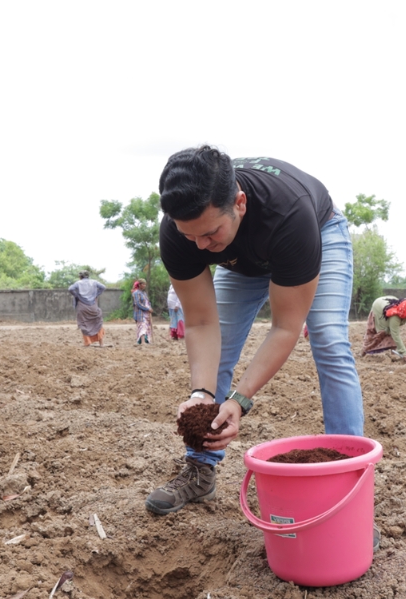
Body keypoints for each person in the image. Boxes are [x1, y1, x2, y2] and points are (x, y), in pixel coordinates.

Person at [146, 146, 364, 515]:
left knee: (328, 338)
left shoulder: (289, 214)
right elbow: (200, 323)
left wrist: (240, 400)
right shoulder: (180, 232)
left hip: (315, 234)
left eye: (209, 232)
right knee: (221, 347)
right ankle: (200, 470)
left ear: (240, 203)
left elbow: (284, 327)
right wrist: (202, 393)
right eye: (190, 236)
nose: (200, 246)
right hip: (241, 259)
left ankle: (350, 483)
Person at [67, 271, 106, 346]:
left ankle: (87, 343)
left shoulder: (78, 283)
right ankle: (101, 343)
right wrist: (96, 295)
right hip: (93, 305)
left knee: (84, 323)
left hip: (82, 306)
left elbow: (70, 289)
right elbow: (103, 287)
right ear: (88, 276)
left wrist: (77, 296)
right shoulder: (94, 282)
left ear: (80, 277)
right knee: (97, 322)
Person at [132, 279, 153, 345]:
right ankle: (143, 341)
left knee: (147, 326)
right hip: (140, 313)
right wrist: (147, 308)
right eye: (143, 284)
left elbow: (147, 302)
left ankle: (146, 340)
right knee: (142, 326)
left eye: (145, 284)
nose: (144, 285)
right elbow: (138, 303)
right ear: (139, 285)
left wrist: (150, 308)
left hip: (146, 313)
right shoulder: (136, 293)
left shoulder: (144, 293)